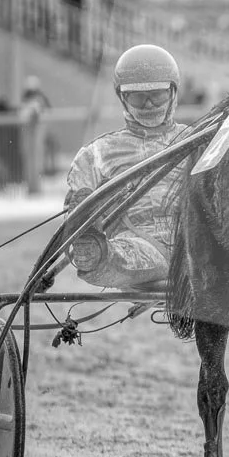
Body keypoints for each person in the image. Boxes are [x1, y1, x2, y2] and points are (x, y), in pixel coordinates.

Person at [63, 44, 188, 290]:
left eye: (157, 95)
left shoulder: (197, 140)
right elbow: (71, 209)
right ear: (123, 97)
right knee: (118, 255)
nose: (150, 105)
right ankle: (94, 252)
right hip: (139, 245)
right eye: (139, 98)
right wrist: (80, 216)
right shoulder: (97, 153)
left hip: (195, 241)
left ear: (173, 93)